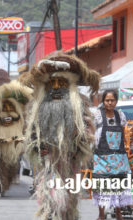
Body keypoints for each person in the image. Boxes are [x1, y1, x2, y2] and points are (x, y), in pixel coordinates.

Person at [19, 54, 98, 220]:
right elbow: (32, 133)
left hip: (70, 160)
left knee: (69, 199)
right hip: (49, 161)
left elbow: (87, 134)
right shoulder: (37, 107)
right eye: (51, 83)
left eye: (61, 83)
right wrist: (38, 147)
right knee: (51, 198)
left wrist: (79, 147)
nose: (55, 88)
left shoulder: (79, 107)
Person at [0, 77, 33, 197]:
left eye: (11, 108)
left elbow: (23, 121)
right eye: (5, 108)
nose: (8, 111)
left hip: (14, 142)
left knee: (11, 167)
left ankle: (5, 184)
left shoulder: (18, 103)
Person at [92, 90, 133, 220]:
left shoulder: (120, 116)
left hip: (119, 158)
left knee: (119, 185)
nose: (110, 103)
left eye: (112, 100)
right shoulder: (98, 116)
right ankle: (101, 214)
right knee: (102, 185)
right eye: (107, 100)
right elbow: (92, 133)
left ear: (116, 101)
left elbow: (123, 134)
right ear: (103, 102)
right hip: (102, 157)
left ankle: (118, 213)